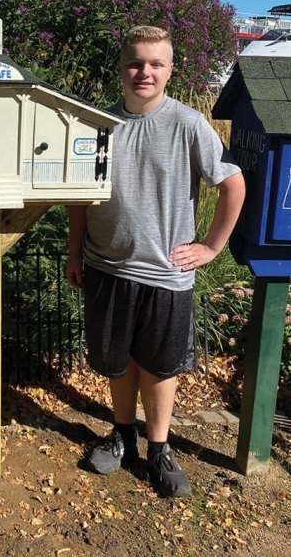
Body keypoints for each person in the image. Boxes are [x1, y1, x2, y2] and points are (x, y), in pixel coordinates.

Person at [66, 25, 245, 497]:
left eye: (155, 64)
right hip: (106, 266)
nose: (144, 72)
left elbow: (233, 185)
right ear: (121, 67)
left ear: (169, 70)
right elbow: (79, 198)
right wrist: (74, 252)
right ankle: (122, 433)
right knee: (118, 361)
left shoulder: (188, 124)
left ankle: (159, 447)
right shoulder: (98, 124)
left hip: (166, 273)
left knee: (160, 366)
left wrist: (211, 247)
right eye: (135, 62)